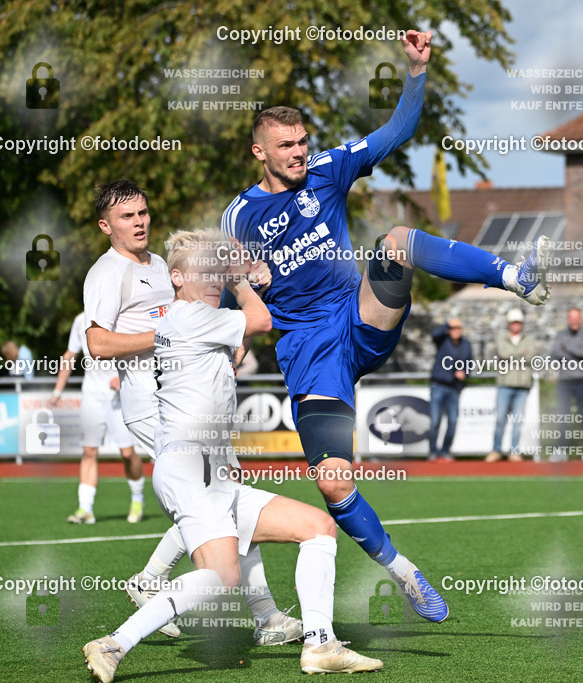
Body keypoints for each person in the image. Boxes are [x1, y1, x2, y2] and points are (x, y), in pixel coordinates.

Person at [221, 29, 552, 623]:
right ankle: (405, 574)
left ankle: (510, 275)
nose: (299, 152)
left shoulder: (327, 170)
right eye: (286, 145)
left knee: (395, 242)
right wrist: (244, 296)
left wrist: (415, 70)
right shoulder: (239, 217)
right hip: (310, 357)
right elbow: (232, 292)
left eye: (302, 141)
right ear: (259, 153)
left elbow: (396, 133)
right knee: (331, 482)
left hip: (359, 320)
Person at [82, 228, 381, 681]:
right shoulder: (187, 317)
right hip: (190, 467)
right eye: (204, 271)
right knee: (222, 577)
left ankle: (320, 644)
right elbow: (260, 322)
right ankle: (113, 643)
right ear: (177, 278)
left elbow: (242, 338)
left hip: (211, 470)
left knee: (317, 528)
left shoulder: (197, 321)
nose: (213, 279)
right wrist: (242, 279)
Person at [84, 180, 299, 645]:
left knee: (224, 496)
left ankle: (159, 581)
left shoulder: (160, 263)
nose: (139, 221)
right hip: (151, 406)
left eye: (142, 212)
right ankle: (264, 616)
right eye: (127, 216)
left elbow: (191, 312)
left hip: (184, 397)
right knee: (221, 499)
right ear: (106, 226)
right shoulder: (107, 272)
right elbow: (97, 343)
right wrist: (172, 338)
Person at [49, 312, 142, 524]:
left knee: (127, 454)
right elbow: (69, 355)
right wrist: (57, 392)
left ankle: (137, 499)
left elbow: (139, 353)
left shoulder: (123, 318)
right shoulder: (80, 320)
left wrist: (124, 378)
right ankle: (86, 509)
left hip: (118, 397)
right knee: (89, 451)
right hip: (91, 395)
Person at [487, 308, 536, 462]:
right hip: (505, 384)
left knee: (517, 421)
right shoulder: (502, 338)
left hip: (522, 386)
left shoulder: (529, 339)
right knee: (500, 419)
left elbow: (531, 357)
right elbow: (503, 353)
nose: (516, 325)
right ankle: (496, 450)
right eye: (513, 322)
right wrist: (522, 353)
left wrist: (514, 355)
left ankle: (514, 451)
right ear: (509, 324)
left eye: (518, 322)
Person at [551, 307, 583, 461]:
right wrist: (573, 352)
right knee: (563, 416)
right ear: (568, 319)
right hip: (564, 381)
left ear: (581, 319)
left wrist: (567, 348)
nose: (574, 320)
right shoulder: (561, 335)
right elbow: (555, 354)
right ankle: (561, 450)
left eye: (577, 317)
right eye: (572, 317)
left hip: (582, 380)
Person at [428, 318, 472, 461]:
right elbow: (434, 334)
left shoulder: (466, 345)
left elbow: (470, 364)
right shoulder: (442, 340)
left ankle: (445, 450)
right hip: (438, 385)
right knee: (435, 421)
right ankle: (433, 451)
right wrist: (448, 323)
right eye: (453, 328)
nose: (455, 331)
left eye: (458, 328)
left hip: (454, 388)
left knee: (452, 422)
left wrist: (464, 372)